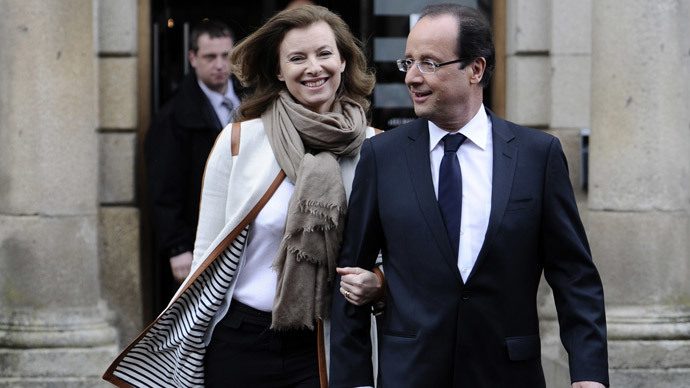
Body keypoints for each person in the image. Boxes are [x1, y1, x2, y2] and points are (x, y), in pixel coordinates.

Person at [330, 3, 609, 388]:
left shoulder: (537, 155)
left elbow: (575, 276)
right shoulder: (382, 156)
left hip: (508, 374)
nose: (412, 76)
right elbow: (350, 278)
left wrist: (589, 375)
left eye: (429, 63)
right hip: (410, 373)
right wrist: (355, 381)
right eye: (408, 62)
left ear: (475, 69)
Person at [104, 5, 383, 388]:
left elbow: (392, 254)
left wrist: (378, 280)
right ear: (278, 71)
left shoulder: (376, 149)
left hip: (327, 343)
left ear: (343, 60)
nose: (313, 67)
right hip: (241, 340)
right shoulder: (239, 141)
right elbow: (207, 255)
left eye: (324, 53)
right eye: (297, 58)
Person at [145, 20, 247, 310]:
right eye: (209, 57)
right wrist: (177, 247)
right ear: (193, 59)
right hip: (201, 239)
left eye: (226, 56)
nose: (219, 65)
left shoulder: (254, 101)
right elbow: (163, 189)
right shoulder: (172, 117)